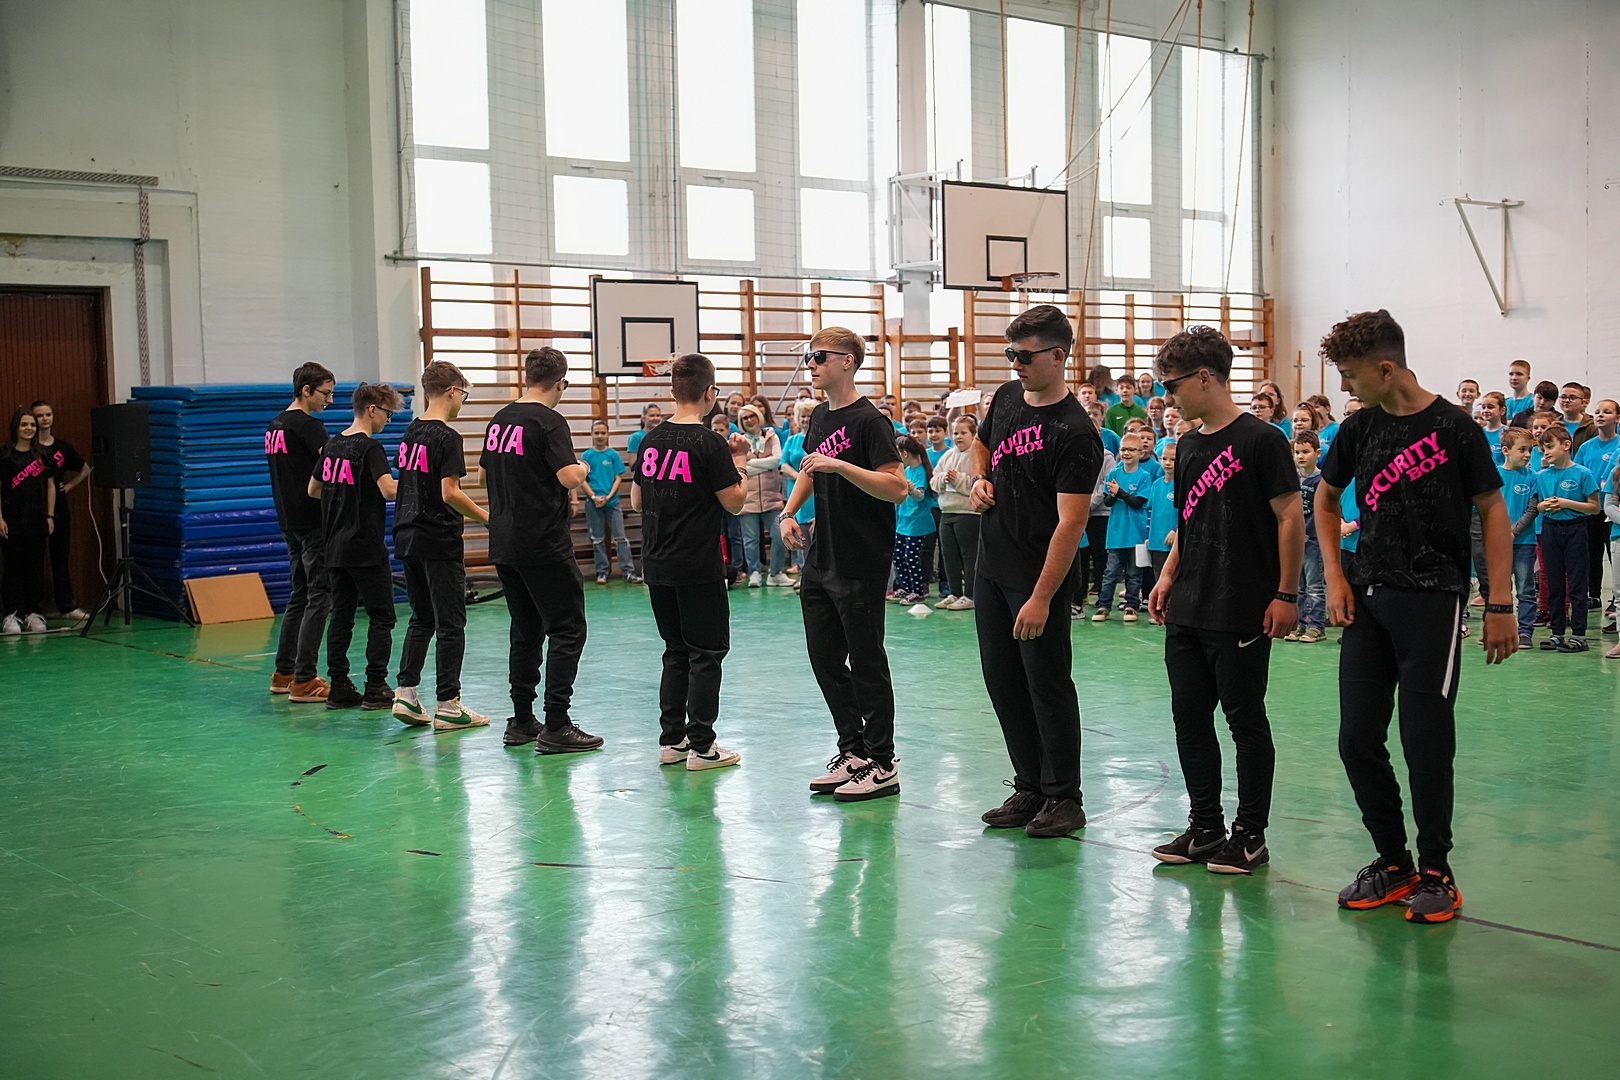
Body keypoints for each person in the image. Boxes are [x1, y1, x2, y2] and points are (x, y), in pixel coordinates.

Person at [1314, 309, 1515, 925]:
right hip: (1368, 602)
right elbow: (1325, 498)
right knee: (1356, 739)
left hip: (1432, 600)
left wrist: (1500, 603)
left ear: (1385, 368)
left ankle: (1436, 870)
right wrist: (1336, 577)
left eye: (1351, 375)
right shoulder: (1358, 429)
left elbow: (1493, 510)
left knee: (1425, 741)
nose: (1344, 387)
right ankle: (1394, 861)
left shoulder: (1454, 427)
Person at [1145, 326, 1302, 875]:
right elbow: (1189, 521)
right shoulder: (1188, 444)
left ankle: (1250, 835)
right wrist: (1168, 575)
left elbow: (1290, 517)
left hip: (1242, 605)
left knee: (1244, 721)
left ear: (1206, 377)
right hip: (1189, 604)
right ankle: (1206, 826)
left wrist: (1286, 593)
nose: (1168, 396)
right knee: (1189, 719)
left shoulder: (1263, 440)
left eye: (1172, 385)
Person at [972, 305, 1103, 839]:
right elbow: (982, 444)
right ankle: (1028, 785)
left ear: (1058, 355)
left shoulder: (1075, 432)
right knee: (1003, 683)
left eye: (1025, 356)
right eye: (1011, 354)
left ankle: (1063, 796)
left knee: (1047, 685)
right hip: (991, 569)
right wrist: (979, 478)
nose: (1016, 365)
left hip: (1036, 578)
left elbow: (1071, 523)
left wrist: (1042, 598)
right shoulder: (1006, 398)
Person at [779, 327, 909, 802]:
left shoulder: (870, 421)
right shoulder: (819, 416)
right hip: (822, 555)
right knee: (825, 657)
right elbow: (812, 469)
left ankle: (882, 761)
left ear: (848, 361)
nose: (811, 365)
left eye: (819, 357)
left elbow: (897, 487)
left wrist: (842, 467)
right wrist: (789, 512)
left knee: (867, 659)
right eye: (809, 357)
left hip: (861, 557)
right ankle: (852, 751)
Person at [630, 353, 750, 771]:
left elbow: (637, 500)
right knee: (706, 653)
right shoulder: (709, 442)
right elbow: (734, 502)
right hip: (697, 565)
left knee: (675, 651)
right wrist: (740, 463)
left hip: (657, 563)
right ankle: (702, 747)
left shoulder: (650, 440)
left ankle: (672, 741)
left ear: (672, 392)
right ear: (710, 393)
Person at [482, 347, 603, 754]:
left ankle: (521, 720)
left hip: (504, 540)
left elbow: (483, 474)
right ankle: (556, 723)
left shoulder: (500, 420)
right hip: (543, 542)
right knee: (567, 629)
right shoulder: (549, 421)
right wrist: (583, 467)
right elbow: (568, 477)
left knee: (525, 629)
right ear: (561, 383)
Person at [390, 361, 491, 731]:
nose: (463, 401)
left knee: (422, 617)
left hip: (406, 534)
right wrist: (488, 518)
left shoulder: (411, 432)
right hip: (438, 537)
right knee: (451, 621)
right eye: (464, 394)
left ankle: (406, 692)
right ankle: (448, 703)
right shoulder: (448, 437)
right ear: (452, 391)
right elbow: (450, 493)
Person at [308, 383, 403, 712]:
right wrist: (422, 481)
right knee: (382, 617)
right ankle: (376, 686)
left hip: (334, 545)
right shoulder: (370, 448)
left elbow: (313, 489)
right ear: (372, 409)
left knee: (341, 617)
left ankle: (339, 686)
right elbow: (389, 490)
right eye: (388, 413)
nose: (388, 420)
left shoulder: (332, 444)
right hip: (365, 545)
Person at [267, 362, 336, 702]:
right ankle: (305, 678)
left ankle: (285, 672)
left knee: (300, 594)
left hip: (288, 519)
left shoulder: (275, 425)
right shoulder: (309, 427)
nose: (330, 400)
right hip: (312, 520)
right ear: (306, 390)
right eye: (325, 393)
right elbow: (332, 466)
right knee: (319, 595)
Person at [1531, 426, 1601, 653]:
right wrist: (1545, 506)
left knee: (1577, 583)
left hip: (1575, 529)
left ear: (1566, 445)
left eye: (1550, 447)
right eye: (1543, 449)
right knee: (1554, 582)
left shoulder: (1582, 473)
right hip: (1550, 529)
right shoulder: (1541, 476)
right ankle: (1557, 632)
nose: (1546, 452)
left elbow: (1594, 507)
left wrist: (1566, 503)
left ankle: (1579, 634)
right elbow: (1537, 506)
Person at [29, 401, 89, 620]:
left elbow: (85, 469)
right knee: (33, 560)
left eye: (48, 414)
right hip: (33, 509)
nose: (45, 419)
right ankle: (32, 609)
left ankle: (67, 605)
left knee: (60, 559)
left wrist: (69, 486)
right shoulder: (28, 449)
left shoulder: (62, 447)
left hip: (59, 510)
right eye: (40, 415)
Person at [0, 407, 56, 635]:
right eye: (24, 424)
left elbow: (51, 486)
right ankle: (11, 615)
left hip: (37, 521)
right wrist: (0, 518)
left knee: (35, 569)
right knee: (12, 569)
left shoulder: (44, 455)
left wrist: (50, 516)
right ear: (16, 427)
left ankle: (34, 613)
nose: (29, 428)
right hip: (12, 521)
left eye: (32, 424)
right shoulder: (4, 455)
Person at [1092, 432, 1154, 622]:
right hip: (1116, 532)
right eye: (1124, 449)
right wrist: (1114, 495)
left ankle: (1131, 605)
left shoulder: (1144, 476)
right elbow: (1107, 502)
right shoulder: (1114, 473)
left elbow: (1138, 503)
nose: (1126, 453)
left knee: (1134, 573)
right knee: (1110, 572)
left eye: (1131, 450)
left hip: (1136, 533)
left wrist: (1120, 492)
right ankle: (1104, 605)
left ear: (1140, 453)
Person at [931, 414, 981, 611]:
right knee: (949, 555)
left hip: (968, 514)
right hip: (947, 512)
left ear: (973, 434)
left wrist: (958, 479)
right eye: (955, 433)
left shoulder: (977, 455)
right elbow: (934, 480)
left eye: (963, 433)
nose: (958, 437)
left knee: (969, 556)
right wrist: (944, 478)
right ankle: (954, 593)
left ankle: (970, 595)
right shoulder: (948, 455)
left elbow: (977, 484)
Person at [735, 404, 789, 587]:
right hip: (747, 499)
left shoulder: (772, 436)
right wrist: (764, 464)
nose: (749, 420)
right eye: (745, 418)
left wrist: (752, 463)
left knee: (779, 534)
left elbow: (777, 460)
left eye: (752, 416)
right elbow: (738, 468)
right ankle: (754, 573)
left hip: (772, 498)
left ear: (758, 416)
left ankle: (776, 573)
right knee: (750, 540)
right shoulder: (738, 441)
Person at [1574, 398, 1619, 616]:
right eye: (1598, 411)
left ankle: (1616, 598)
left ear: (1617, 418)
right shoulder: (1586, 447)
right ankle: (1593, 594)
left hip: (1613, 509)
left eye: (1607, 412)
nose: (1600, 415)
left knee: (1613, 553)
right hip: (1591, 507)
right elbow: (1578, 473)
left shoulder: (1619, 446)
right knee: (1592, 552)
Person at [1497, 428, 1541, 647]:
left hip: (1524, 542)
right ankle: (1500, 630)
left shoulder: (1533, 477)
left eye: (1530, 450)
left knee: (1525, 589)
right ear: (1506, 450)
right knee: (1499, 589)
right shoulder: (1494, 476)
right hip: (1497, 544)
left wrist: (1513, 532)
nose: (1527, 455)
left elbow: (1532, 510)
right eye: (1522, 449)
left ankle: (1525, 631)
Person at [1286, 430, 1327, 643]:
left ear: (1317, 453)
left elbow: (1319, 512)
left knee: (1314, 586)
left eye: (1305, 452)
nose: (1300, 456)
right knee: (1299, 586)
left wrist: (1305, 532)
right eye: (1297, 452)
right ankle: (1301, 624)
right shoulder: (1294, 479)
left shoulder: (1320, 481)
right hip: (1296, 542)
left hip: (1312, 541)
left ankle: (1316, 625)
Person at [778, 399, 818, 580]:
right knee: (802, 537)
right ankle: (805, 576)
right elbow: (783, 464)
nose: (805, 419)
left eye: (809, 416)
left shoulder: (819, 439)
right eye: (803, 416)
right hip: (796, 492)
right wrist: (799, 477)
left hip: (816, 494)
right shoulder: (792, 440)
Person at [710, 410, 748, 586]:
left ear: (728, 430)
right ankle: (721, 567)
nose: (718, 432)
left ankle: (738, 568)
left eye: (721, 430)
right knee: (720, 535)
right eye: (715, 429)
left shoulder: (732, 449)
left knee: (735, 534)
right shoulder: (710, 448)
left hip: (731, 494)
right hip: (715, 499)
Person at [1144, 440, 1177, 582]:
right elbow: (1149, 512)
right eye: (1164, 459)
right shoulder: (1156, 484)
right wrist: (1147, 536)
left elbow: (1187, 513)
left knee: (1174, 580)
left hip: (1174, 544)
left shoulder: (1183, 485)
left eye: (1173, 459)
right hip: (1155, 542)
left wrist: (1175, 530)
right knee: (1159, 579)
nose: (1167, 463)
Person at [1557, 383, 1597, 451]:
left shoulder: (1592, 427)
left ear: (1583, 402)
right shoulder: (1554, 424)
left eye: (1572, 397)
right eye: (1563, 397)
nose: (1567, 401)